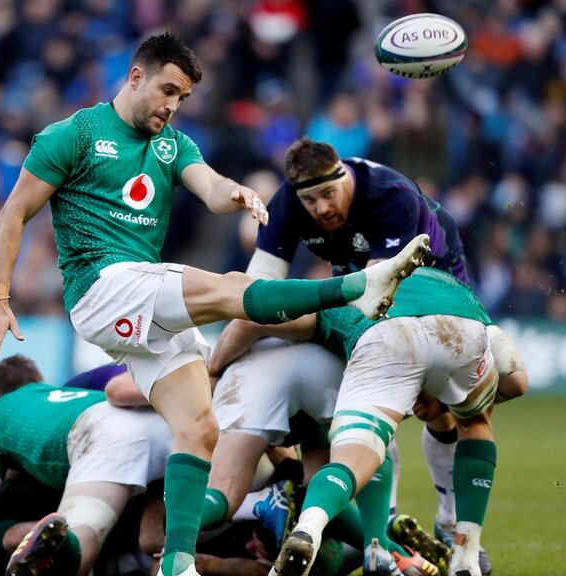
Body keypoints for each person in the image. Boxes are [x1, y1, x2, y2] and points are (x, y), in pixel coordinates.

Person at [0, 32, 430, 576]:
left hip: (140, 304)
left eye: (182, 97)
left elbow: (207, 186)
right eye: (167, 90)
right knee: (232, 289)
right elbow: (14, 212)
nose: (172, 105)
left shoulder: (173, 145)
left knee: (199, 428)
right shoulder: (73, 135)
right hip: (101, 284)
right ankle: (357, 288)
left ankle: (177, 564)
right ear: (135, 76)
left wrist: (234, 193)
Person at [214, 138, 524, 574]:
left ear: (345, 176)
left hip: (433, 281)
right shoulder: (284, 205)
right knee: (423, 405)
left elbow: (380, 293)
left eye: (328, 194)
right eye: (310, 200)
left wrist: (213, 368)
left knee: (442, 405)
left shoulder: (391, 195)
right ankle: (405, 533)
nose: (321, 208)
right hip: (383, 302)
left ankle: (432, 522)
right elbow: (255, 295)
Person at [265, 268, 507, 576]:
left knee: (356, 455)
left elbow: (260, 316)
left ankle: (313, 527)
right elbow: (517, 382)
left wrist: (216, 367)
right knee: (475, 420)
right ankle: (466, 557)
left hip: (385, 338)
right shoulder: (451, 285)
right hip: (462, 327)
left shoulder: (333, 298)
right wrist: (457, 397)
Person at [0, 354, 173, 576]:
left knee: (81, 547)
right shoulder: (70, 393)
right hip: (166, 428)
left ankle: (61, 549)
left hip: (103, 435)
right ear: (40, 382)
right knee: (163, 539)